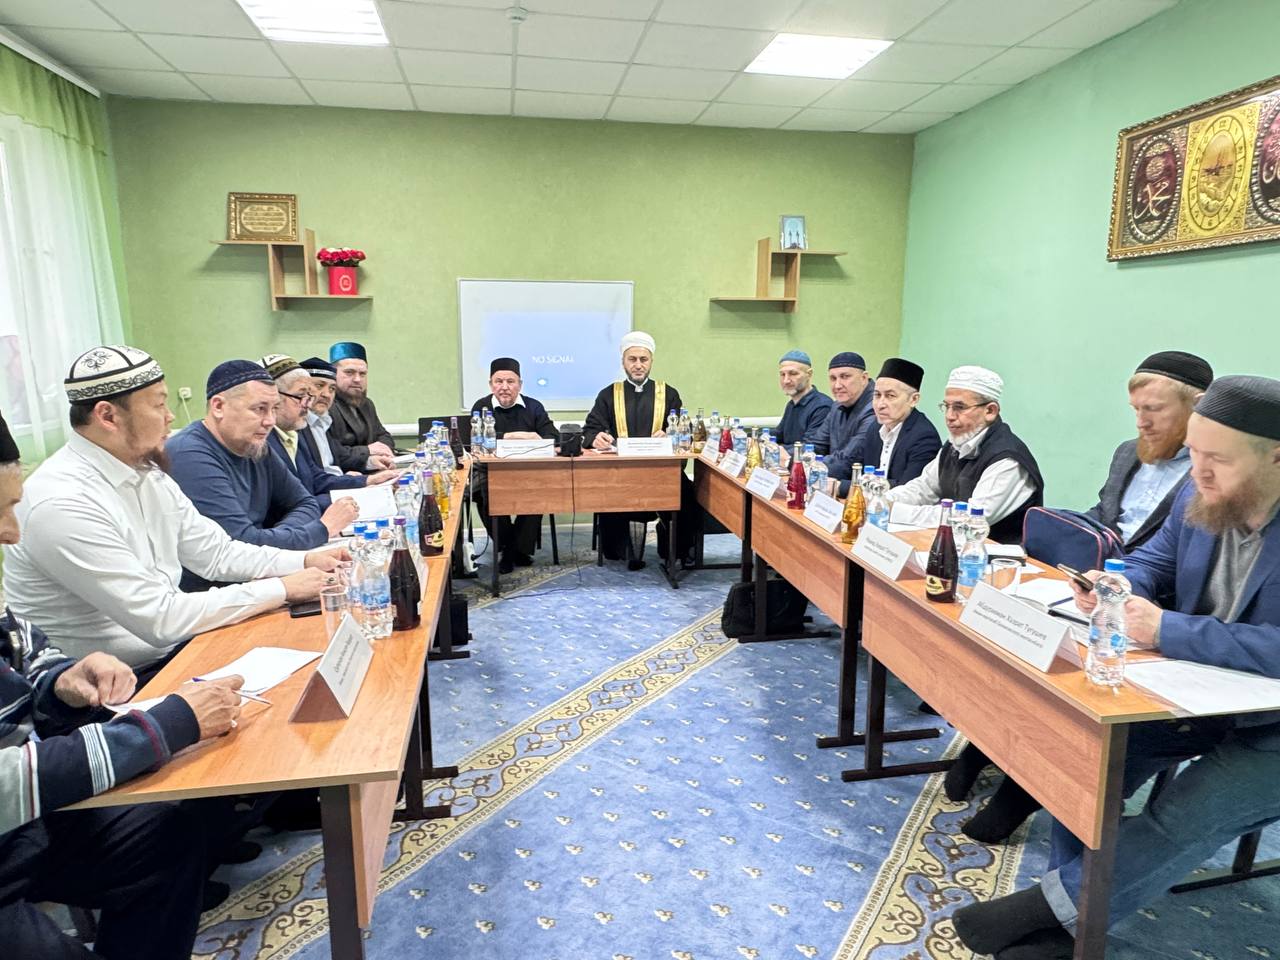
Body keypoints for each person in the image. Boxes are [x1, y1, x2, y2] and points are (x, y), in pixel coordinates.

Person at [953, 374, 1280, 960]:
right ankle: (1076, 917)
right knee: (1085, 764)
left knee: (1184, 814)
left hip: (1272, 727)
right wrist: (1119, 584)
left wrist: (1167, 629)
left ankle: (1053, 917)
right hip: (1201, 690)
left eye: (1218, 459)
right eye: (1195, 453)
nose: (1199, 472)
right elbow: (1155, 560)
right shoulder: (1199, 487)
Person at [1, 347, 345, 676]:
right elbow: (160, 618)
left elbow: (216, 553)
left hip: (174, 651)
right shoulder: (62, 502)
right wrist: (282, 588)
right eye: (158, 405)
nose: (170, 417)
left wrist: (304, 561)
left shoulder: (146, 472)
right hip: (114, 687)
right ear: (108, 416)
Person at [886, 365, 1044, 542]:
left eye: (959, 407)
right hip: (955, 547)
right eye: (947, 406)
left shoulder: (1008, 459)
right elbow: (923, 488)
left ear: (990, 411)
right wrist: (883, 500)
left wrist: (896, 511)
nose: (949, 416)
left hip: (993, 555)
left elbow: (970, 518)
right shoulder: (955, 445)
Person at [583, 331, 694, 568]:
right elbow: (591, 429)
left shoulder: (669, 393)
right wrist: (596, 438)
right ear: (623, 362)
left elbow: (685, 431)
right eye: (632, 359)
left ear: (651, 361)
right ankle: (619, 549)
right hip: (620, 472)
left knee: (687, 494)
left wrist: (671, 435)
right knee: (607, 492)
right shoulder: (608, 394)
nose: (638, 365)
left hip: (661, 472)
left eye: (643, 359)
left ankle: (677, 550)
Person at [1086, 350, 1213, 550]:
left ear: (1198, 405)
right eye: (1136, 409)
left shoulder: (1213, 471)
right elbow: (1105, 514)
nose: (1141, 423)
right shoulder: (1127, 452)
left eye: (1153, 409)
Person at [262, 354, 396, 508]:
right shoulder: (264, 441)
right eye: (301, 395)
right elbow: (290, 505)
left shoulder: (293, 432)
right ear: (274, 398)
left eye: (332, 389)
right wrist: (356, 496)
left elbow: (317, 479)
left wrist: (367, 481)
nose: (308, 403)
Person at [470, 357, 558, 573]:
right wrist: (509, 436)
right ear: (491, 384)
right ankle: (511, 549)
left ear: (520, 384)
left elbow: (553, 436)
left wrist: (536, 437)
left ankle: (513, 551)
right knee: (484, 494)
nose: (504, 387)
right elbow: (474, 440)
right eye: (499, 381)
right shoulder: (481, 407)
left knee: (538, 493)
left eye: (510, 381)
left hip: (528, 474)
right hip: (490, 473)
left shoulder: (533, 407)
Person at [835, 357, 941, 495]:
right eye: (877, 395)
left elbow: (907, 489)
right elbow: (853, 467)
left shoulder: (924, 437)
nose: (880, 404)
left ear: (913, 399)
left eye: (890, 396)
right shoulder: (875, 428)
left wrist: (841, 487)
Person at [327, 341, 396, 470]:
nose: (357, 379)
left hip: (373, 470)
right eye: (349, 372)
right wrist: (368, 451)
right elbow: (332, 452)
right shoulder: (326, 406)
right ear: (333, 374)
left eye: (362, 374)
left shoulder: (367, 404)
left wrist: (382, 450)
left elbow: (384, 436)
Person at [810, 351, 875, 468]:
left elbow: (848, 461)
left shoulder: (875, 408)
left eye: (845, 377)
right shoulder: (836, 406)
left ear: (864, 378)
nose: (837, 385)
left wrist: (803, 465)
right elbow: (817, 446)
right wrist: (790, 457)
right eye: (833, 378)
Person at [774, 350, 832, 450]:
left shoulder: (822, 407)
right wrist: (755, 439)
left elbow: (810, 447)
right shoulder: (791, 405)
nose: (786, 380)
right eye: (782, 374)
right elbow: (778, 435)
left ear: (809, 374)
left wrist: (777, 450)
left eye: (793, 374)